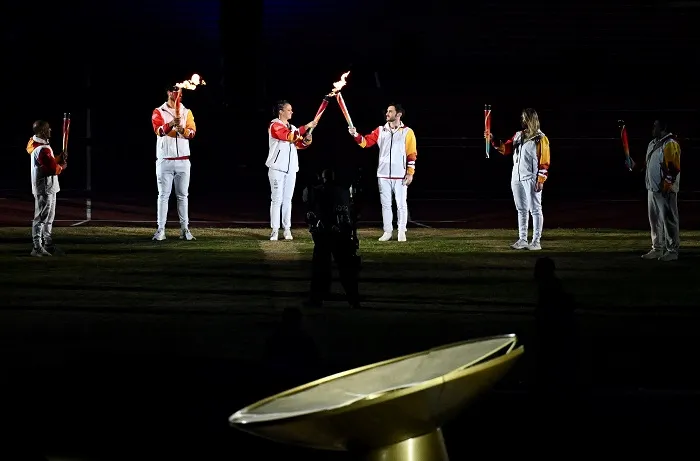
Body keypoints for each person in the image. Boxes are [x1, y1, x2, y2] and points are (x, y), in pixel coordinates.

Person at [349, 103, 417, 242]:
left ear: (398, 114)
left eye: (390, 111)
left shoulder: (407, 132)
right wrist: (355, 134)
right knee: (385, 204)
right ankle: (387, 231)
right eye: (387, 111)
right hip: (383, 174)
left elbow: (411, 154)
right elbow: (366, 143)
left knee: (401, 204)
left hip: (400, 175)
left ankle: (401, 231)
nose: (387, 113)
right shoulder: (380, 130)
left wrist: (410, 173)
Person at [486, 108, 550, 250]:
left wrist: (541, 179)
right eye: (522, 118)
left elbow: (545, 161)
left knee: (535, 209)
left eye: (525, 118)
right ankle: (522, 239)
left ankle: (536, 241)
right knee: (521, 209)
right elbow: (505, 149)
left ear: (531, 119)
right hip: (516, 177)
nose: (522, 121)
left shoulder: (541, 138)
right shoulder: (518, 135)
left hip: (531, 177)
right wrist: (493, 140)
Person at [302, 168, 361, 308]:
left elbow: (313, 212)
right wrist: (354, 235)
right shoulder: (344, 192)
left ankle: (317, 299)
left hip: (326, 234)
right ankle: (354, 300)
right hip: (343, 234)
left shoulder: (318, 191)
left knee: (320, 269)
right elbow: (352, 215)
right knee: (346, 270)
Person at [150, 84, 197, 241]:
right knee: (163, 195)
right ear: (169, 92)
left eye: (180, 91)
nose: (178, 93)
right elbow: (159, 130)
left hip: (183, 160)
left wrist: (182, 130)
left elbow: (192, 132)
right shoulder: (159, 111)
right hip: (165, 160)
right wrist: (171, 124)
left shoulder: (186, 112)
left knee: (183, 196)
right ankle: (161, 230)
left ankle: (185, 230)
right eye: (175, 90)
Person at [266, 100, 316, 241]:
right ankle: (275, 230)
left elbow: (299, 144)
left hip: (291, 169)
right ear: (281, 111)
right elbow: (288, 136)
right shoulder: (274, 125)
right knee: (277, 199)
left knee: (288, 199)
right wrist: (306, 126)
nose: (291, 112)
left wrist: (307, 139)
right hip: (277, 168)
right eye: (289, 110)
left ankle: (287, 229)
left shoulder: (293, 127)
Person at [642, 118, 681, 261]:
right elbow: (649, 165)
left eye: (655, 126)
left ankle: (672, 251)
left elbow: (674, 168)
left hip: (665, 189)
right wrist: (633, 165)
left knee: (669, 220)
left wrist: (667, 185)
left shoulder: (670, 143)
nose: (653, 128)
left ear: (663, 127)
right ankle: (657, 248)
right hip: (652, 188)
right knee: (655, 220)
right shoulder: (652, 143)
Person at [26, 120, 66, 256]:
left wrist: (58, 158)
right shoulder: (42, 148)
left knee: (49, 218)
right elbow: (51, 168)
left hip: (49, 187)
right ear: (43, 131)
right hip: (44, 188)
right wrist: (61, 166)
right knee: (41, 218)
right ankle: (37, 247)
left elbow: (49, 162)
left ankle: (47, 244)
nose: (50, 131)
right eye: (48, 129)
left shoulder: (39, 145)